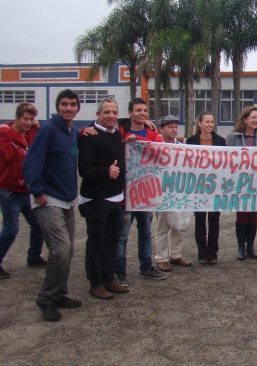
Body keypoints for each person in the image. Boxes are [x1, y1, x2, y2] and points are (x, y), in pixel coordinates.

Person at [23, 89, 83, 321]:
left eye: (72, 104)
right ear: (58, 107)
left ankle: (59, 294)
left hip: (67, 199)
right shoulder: (48, 129)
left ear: (78, 108)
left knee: (68, 251)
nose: (69, 108)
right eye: (64, 104)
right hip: (47, 199)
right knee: (60, 250)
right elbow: (31, 162)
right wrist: (36, 191)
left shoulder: (73, 132)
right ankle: (46, 298)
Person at [78, 98, 129, 299]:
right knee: (96, 242)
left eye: (114, 112)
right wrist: (105, 172)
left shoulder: (117, 133)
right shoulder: (90, 136)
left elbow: (135, 120)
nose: (111, 116)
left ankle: (109, 278)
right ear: (98, 114)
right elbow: (84, 169)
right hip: (96, 200)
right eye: (106, 112)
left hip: (116, 198)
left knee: (111, 241)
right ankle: (95, 282)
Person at [114, 97, 166, 285]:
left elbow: (161, 149)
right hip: (125, 194)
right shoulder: (120, 130)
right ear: (130, 113)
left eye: (145, 110)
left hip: (145, 193)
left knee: (145, 232)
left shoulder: (151, 131)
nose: (142, 113)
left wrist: (140, 140)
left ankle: (146, 267)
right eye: (138, 110)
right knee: (121, 235)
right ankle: (119, 271)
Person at [0, 103, 46, 279]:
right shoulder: (5, 134)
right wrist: (11, 136)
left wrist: (33, 131)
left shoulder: (29, 134)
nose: (28, 122)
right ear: (17, 118)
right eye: (25, 119)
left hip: (26, 189)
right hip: (8, 189)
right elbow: (10, 156)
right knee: (11, 229)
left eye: (31, 119)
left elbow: (34, 153)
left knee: (38, 224)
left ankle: (34, 255)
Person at [226, 106, 257, 261]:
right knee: (242, 214)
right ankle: (240, 246)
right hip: (239, 182)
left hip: (256, 181)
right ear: (245, 119)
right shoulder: (232, 136)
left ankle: (251, 245)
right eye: (253, 117)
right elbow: (227, 159)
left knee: (253, 214)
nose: (256, 120)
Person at [186, 111, 226, 265]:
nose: (210, 124)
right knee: (200, 220)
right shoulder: (191, 141)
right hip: (198, 186)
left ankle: (213, 252)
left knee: (214, 220)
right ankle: (202, 253)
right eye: (207, 122)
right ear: (199, 123)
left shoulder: (220, 141)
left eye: (212, 122)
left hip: (216, 186)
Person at [154, 115, 192, 272]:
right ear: (161, 129)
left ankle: (176, 254)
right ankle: (161, 258)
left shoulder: (183, 147)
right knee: (162, 227)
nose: (174, 130)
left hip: (179, 192)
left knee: (178, 224)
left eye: (176, 127)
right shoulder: (154, 146)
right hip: (160, 193)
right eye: (170, 127)